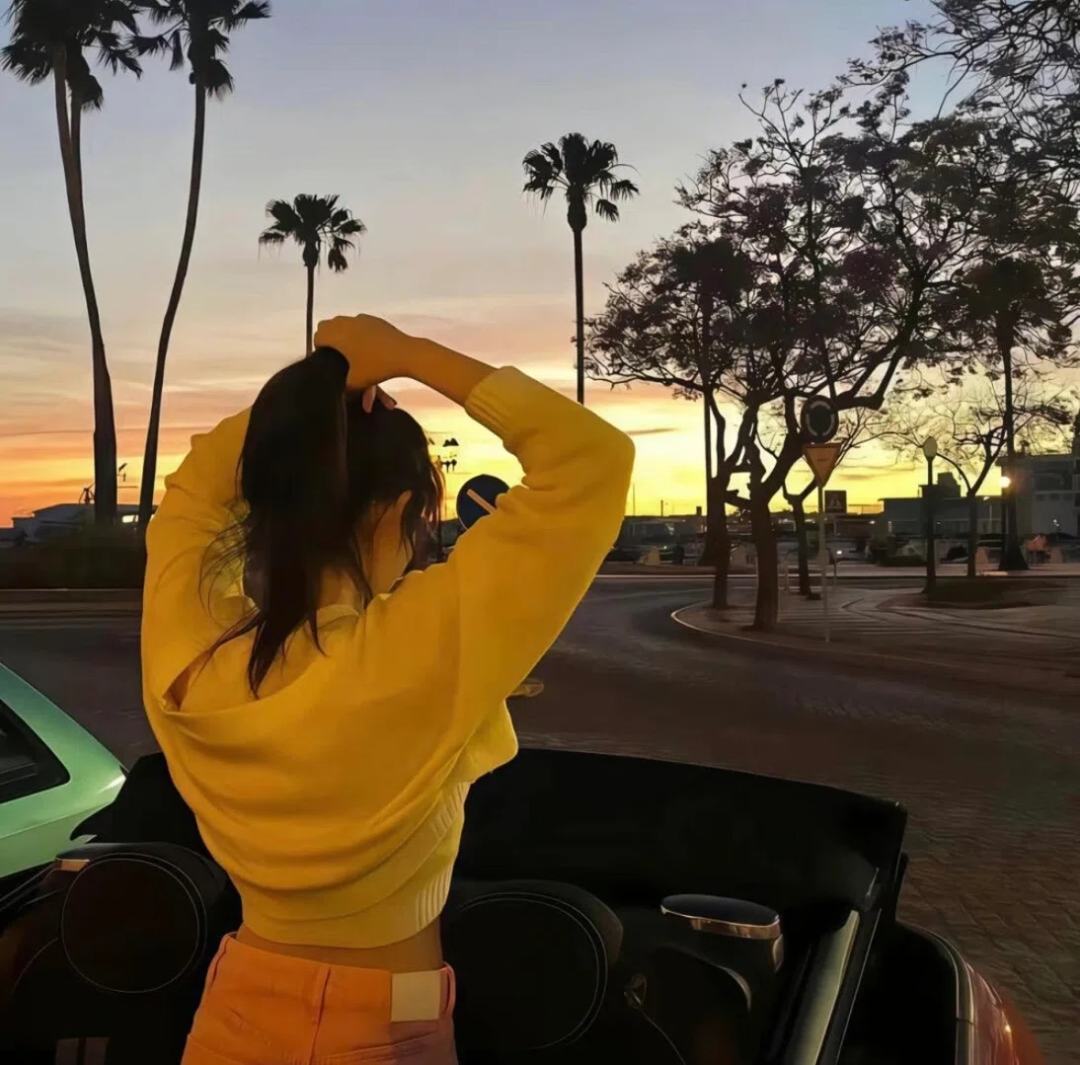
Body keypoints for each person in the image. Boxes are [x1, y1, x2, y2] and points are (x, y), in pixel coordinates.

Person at [140, 315, 634, 1065]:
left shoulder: (193, 658)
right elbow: (593, 458)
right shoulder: (414, 648)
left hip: (232, 1012)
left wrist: (323, 395)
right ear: (402, 512)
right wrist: (398, 356)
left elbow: (193, 492)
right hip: (385, 1029)